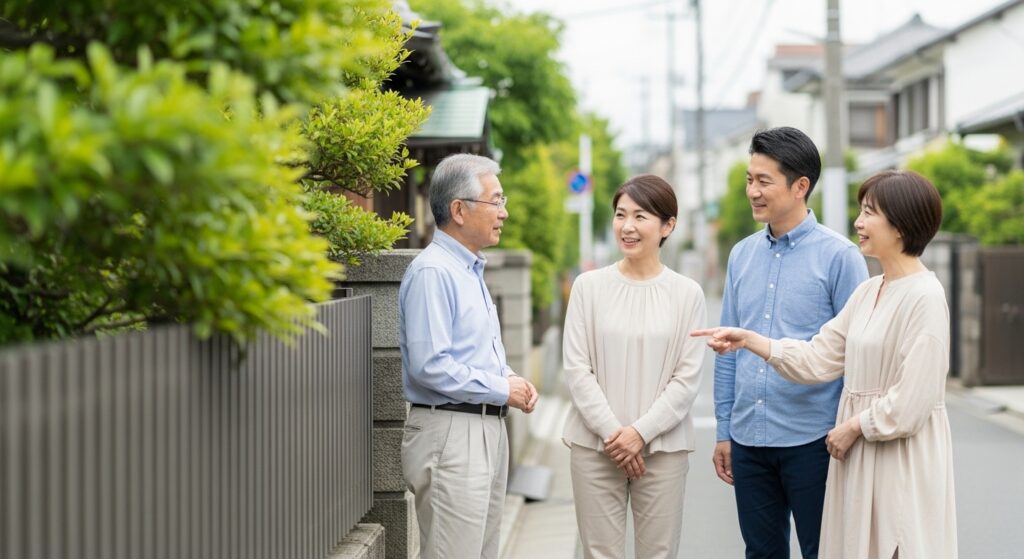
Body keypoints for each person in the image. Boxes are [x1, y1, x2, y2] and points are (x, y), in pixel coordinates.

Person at [694, 170, 956, 559]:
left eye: (870, 213)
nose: (858, 223)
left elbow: (913, 402)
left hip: (898, 453)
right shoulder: (870, 291)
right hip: (861, 452)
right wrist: (752, 341)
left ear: (901, 225)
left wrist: (854, 425)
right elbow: (818, 358)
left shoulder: (925, 297)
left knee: (896, 541)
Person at [714, 127, 869, 558]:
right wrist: (724, 431)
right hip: (748, 439)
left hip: (815, 441)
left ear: (800, 186)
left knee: (826, 551)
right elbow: (727, 352)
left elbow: (857, 355)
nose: (753, 191)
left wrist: (848, 431)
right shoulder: (741, 255)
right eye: (750, 179)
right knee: (760, 553)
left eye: (764, 181)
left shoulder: (840, 257)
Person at [399, 153, 539, 559]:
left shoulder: (468, 270)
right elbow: (430, 366)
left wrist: (510, 379)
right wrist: (502, 388)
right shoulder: (434, 272)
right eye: (496, 201)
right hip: (452, 433)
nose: (504, 212)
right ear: (459, 210)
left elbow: (474, 352)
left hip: (482, 429)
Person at [561, 174, 706, 559]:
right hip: (595, 447)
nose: (627, 226)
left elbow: (686, 380)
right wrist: (616, 435)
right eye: (620, 215)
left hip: (663, 449)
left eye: (640, 216)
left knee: (659, 553)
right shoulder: (588, 287)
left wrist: (640, 434)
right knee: (599, 554)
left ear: (667, 226)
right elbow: (577, 369)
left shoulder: (687, 294)